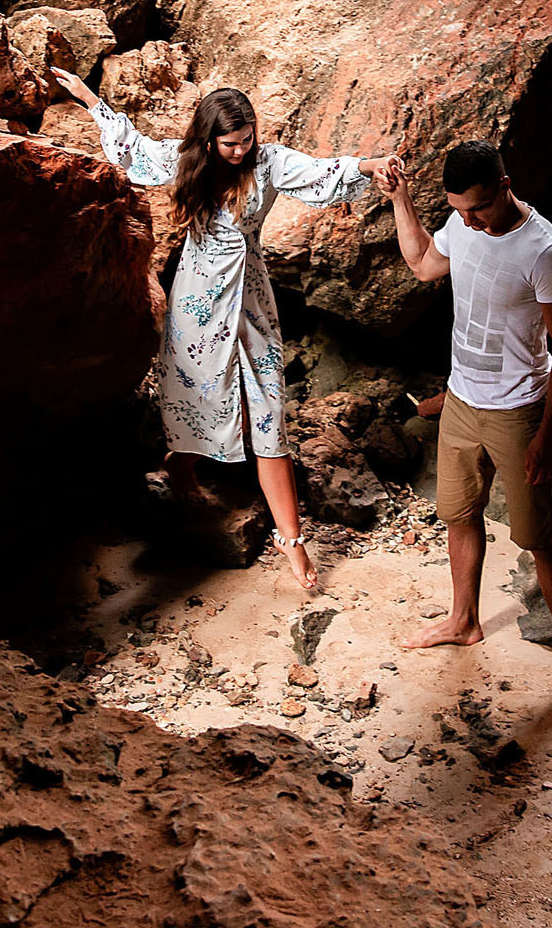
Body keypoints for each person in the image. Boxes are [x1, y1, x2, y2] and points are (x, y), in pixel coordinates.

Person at [53, 68, 394, 592]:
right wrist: (90, 99)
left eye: (247, 140)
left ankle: (292, 541)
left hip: (251, 298)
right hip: (198, 297)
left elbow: (324, 171)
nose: (241, 151)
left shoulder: (271, 162)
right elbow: (134, 148)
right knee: (202, 396)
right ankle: (180, 466)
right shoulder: (187, 162)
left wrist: (372, 166)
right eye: (231, 143)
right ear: (209, 139)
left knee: (268, 411)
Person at [379, 142, 552, 720]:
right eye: (459, 210)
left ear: (505, 184)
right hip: (461, 403)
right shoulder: (461, 220)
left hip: (519, 410)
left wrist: (546, 436)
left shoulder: (546, 253)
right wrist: (402, 200)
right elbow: (425, 263)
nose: (467, 221)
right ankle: (464, 620)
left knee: (537, 537)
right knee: (459, 513)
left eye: (476, 208)